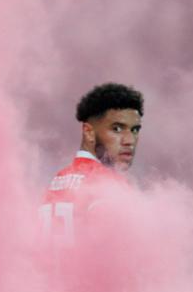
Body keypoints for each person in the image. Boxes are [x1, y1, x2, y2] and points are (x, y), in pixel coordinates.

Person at [39, 82, 144, 248]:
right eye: (117, 129)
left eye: (135, 130)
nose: (129, 141)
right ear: (88, 132)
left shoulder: (56, 182)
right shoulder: (112, 186)